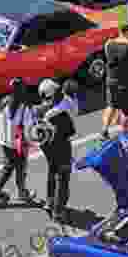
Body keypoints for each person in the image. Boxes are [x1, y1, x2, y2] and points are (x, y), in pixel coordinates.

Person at [0, 78, 36, 204]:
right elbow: (29, 129)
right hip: (18, 144)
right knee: (21, 169)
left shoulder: (4, 102)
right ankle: (22, 193)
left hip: (5, 142)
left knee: (8, 167)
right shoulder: (25, 107)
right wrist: (30, 143)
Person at [33, 79, 76, 222]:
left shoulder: (39, 110)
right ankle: (58, 211)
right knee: (62, 177)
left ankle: (50, 202)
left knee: (52, 171)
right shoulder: (61, 112)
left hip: (46, 146)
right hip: (61, 146)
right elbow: (69, 131)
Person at [102, 25, 128, 139]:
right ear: (127, 32)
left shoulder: (108, 44)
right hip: (127, 81)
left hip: (111, 79)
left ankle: (104, 130)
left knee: (111, 105)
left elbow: (109, 59)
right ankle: (125, 131)